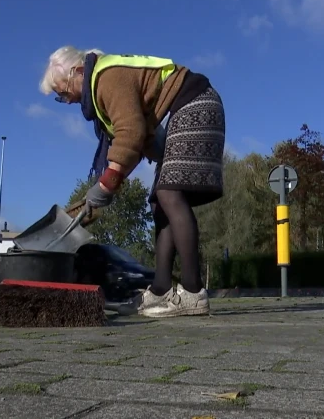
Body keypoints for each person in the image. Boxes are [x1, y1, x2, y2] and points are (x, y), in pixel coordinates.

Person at [38, 46, 225, 318]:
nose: (65, 101)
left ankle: (193, 293)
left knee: (170, 193)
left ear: (78, 71)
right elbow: (134, 145)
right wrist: (110, 185)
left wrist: (108, 182)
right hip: (183, 109)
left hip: (194, 102)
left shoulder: (107, 78)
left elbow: (131, 133)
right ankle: (160, 290)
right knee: (161, 202)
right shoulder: (101, 88)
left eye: (63, 91)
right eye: (59, 97)